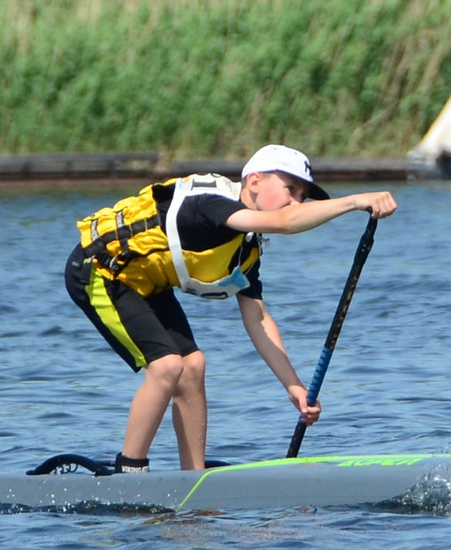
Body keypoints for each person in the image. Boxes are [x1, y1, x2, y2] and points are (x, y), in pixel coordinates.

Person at [64, 145, 397, 471]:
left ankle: (193, 479)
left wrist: (293, 386)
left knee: (193, 365)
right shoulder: (210, 205)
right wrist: (356, 200)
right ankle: (130, 472)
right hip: (101, 272)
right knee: (166, 367)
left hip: (147, 284)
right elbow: (284, 221)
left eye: (302, 196)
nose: (296, 201)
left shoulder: (245, 250)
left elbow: (258, 317)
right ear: (253, 182)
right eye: (290, 188)